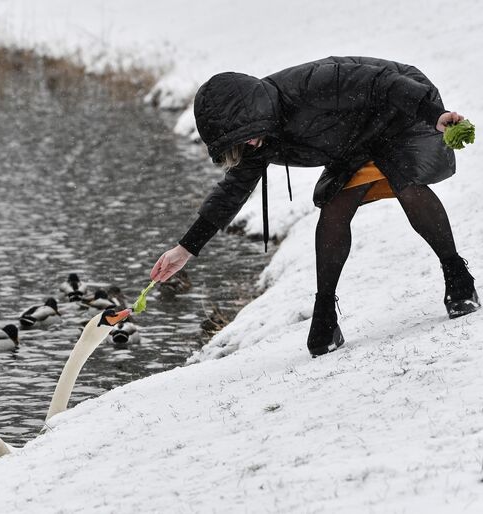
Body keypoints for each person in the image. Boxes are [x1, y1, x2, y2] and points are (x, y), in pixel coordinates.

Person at [149, 56, 480, 357]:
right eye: (239, 140)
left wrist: (433, 114)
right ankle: (324, 315)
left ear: (254, 111)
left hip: (401, 107)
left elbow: (380, 83)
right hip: (355, 139)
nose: (248, 144)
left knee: (405, 181)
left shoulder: (307, 86)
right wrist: (185, 249)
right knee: (335, 208)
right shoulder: (257, 134)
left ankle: (458, 277)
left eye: (246, 135)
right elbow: (232, 191)